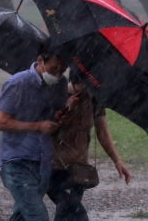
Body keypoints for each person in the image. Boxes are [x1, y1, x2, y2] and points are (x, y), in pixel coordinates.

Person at [47, 69, 132, 221]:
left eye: (90, 87)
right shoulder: (57, 93)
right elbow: (46, 127)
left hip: (79, 168)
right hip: (53, 165)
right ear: (74, 82)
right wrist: (66, 109)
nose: (86, 91)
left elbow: (103, 133)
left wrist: (117, 161)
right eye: (82, 86)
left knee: (72, 208)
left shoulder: (94, 99)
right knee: (69, 208)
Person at [0, 50, 68, 221]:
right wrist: (37, 126)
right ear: (41, 60)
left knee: (22, 214)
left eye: (62, 70)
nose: (57, 74)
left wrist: (59, 118)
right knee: (38, 216)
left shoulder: (61, 84)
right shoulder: (17, 83)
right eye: (53, 68)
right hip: (17, 161)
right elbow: (1, 123)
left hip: (43, 160)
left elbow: (54, 114)